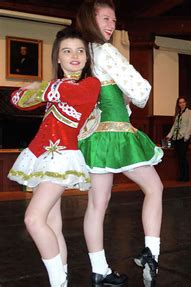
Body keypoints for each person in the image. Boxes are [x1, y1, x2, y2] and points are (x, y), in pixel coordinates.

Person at [76, 0, 164, 283]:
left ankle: (99, 271)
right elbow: (140, 90)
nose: (111, 25)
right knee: (154, 187)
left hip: (93, 137)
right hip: (116, 133)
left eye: (114, 20)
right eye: (105, 19)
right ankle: (152, 252)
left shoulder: (82, 53)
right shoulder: (105, 51)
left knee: (97, 205)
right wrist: (132, 97)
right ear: (91, 19)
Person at [8, 27, 100, 287]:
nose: (75, 55)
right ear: (57, 58)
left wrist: (40, 88)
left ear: (87, 58)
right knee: (51, 224)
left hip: (62, 157)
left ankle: (58, 283)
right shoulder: (57, 86)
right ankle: (62, 281)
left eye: (80, 51)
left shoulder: (90, 84)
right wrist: (41, 90)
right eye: (67, 51)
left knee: (32, 219)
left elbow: (69, 94)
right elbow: (17, 100)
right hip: (40, 156)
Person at [166, 97, 191, 181]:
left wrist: (186, 136)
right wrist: (169, 136)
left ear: (186, 103)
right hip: (176, 138)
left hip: (184, 138)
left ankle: (186, 177)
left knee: (183, 157)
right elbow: (174, 127)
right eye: (180, 103)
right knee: (179, 158)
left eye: (183, 102)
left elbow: (190, 124)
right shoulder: (178, 114)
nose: (182, 104)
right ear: (178, 104)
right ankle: (181, 176)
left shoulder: (190, 112)